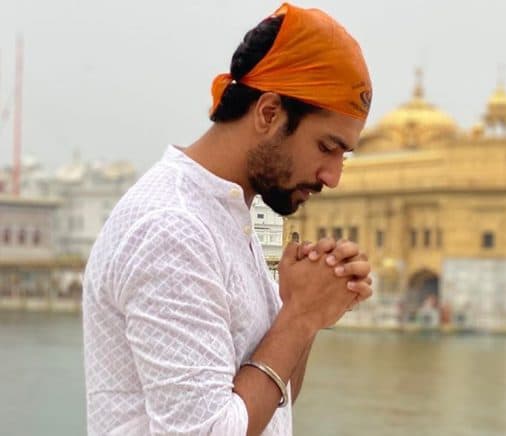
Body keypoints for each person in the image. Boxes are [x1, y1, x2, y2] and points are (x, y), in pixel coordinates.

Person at [82, 3, 373, 435]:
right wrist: (300, 316)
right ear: (269, 113)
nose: (332, 177)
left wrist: (298, 310)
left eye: (342, 156)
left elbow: (275, 401)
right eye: (326, 148)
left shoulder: (226, 214)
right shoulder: (172, 228)